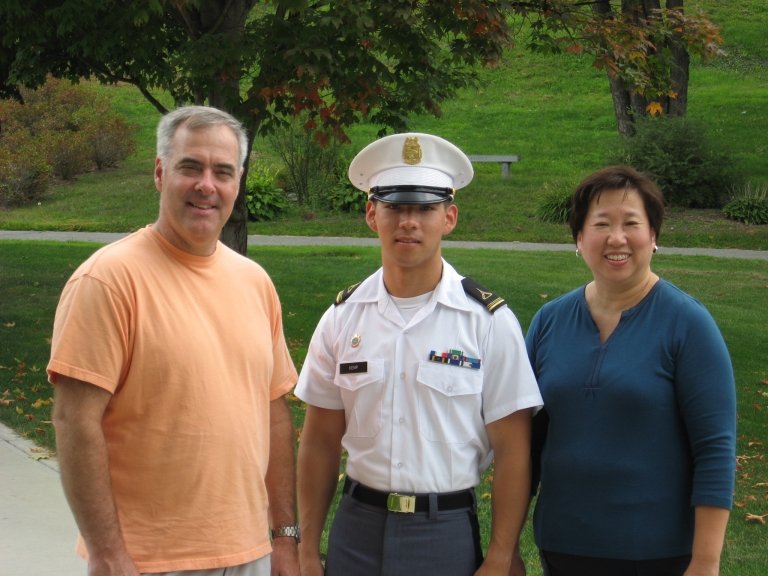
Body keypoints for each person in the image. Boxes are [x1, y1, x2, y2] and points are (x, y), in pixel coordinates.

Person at [48, 105, 301, 576]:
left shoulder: (255, 283)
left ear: (238, 182)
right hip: (148, 561)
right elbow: (73, 421)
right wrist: (108, 554)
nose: (207, 185)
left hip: (250, 555)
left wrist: (285, 537)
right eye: (191, 167)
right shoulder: (108, 281)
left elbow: (273, 414)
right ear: (161, 173)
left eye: (222, 172)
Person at [295, 132, 543, 576]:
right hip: (356, 530)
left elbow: (513, 451)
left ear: (450, 217)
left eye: (425, 209)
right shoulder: (342, 317)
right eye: (394, 207)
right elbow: (318, 440)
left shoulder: (486, 321)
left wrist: (501, 556)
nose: (409, 221)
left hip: (442, 531)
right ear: (372, 214)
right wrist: (308, 549)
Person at [525, 165, 737, 576]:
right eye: (601, 223)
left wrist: (706, 562)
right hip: (562, 548)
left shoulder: (688, 324)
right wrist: (506, 546)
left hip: (657, 555)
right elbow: (525, 444)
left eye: (631, 223)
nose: (616, 238)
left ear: (653, 237)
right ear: (579, 238)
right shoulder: (549, 322)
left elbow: (715, 450)